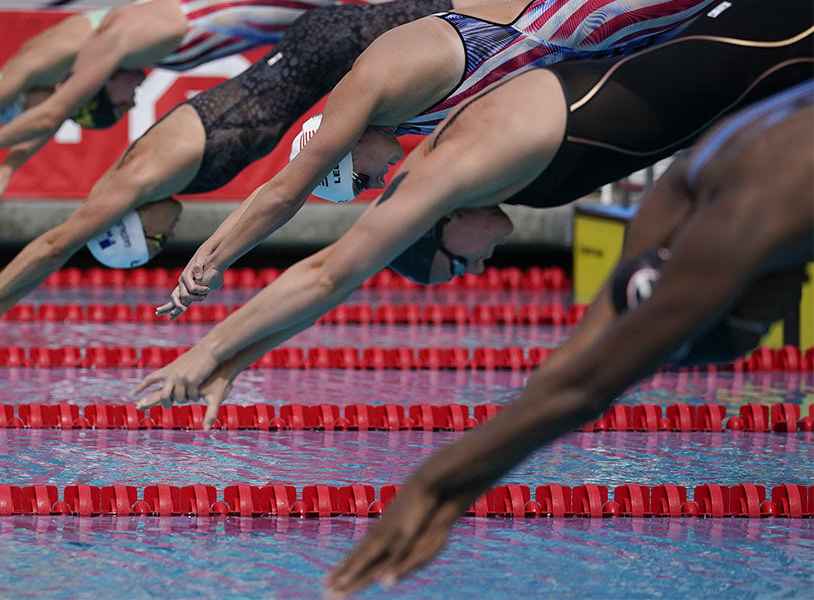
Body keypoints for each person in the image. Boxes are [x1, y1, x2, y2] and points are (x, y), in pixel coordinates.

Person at [129, 0, 812, 419]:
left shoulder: (397, 104)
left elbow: (312, 238)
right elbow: (340, 273)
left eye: (464, 261)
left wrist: (209, 282)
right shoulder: (429, 134)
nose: (483, 263)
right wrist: (237, 360)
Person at [325, 79, 814, 597]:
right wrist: (452, 493)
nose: (792, 301)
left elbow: (590, 385)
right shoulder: (688, 190)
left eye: (761, 327)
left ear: (724, 295)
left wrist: (431, 488)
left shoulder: (735, 217)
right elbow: (581, 364)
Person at [0, 0, 473, 350]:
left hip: (324, 47)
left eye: (157, 239)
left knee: (476, 18)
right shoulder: (156, 179)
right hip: (318, 51)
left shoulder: (138, 176)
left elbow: (56, 243)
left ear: (135, 224)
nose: (169, 235)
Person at [158, 0, 722, 317]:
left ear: (338, 147)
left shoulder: (373, 81)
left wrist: (208, 263)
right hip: (613, 38)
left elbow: (283, 193)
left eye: (359, 178)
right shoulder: (419, 124)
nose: (378, 180)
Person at [0, 0, 338, 206]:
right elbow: (54, 113)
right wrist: (7, 167)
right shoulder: (79, 63)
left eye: (121, 103)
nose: (132, 99)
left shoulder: (40, 67)